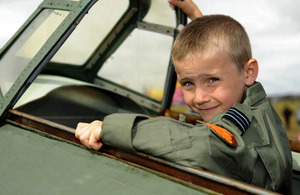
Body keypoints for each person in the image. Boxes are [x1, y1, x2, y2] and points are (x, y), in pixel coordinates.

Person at [75, 1, 292, 193]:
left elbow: (201, 145)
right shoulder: (255, 101)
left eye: (212, 80)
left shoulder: (239, 121)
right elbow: (221, 56)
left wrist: (109, 128)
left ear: (249, 72)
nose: (199, 98)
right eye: (188, 83)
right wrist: (195, 14)